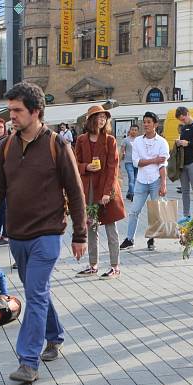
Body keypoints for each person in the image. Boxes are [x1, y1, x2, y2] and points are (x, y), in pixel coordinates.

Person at [0, 81, 86, 383]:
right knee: (36, 289)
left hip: (48, 234)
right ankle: (55, 335)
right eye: (10, 110)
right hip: (17, 235)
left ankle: (28, 361)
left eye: (17, 110)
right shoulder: (5, 147)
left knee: (35, 292)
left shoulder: (57, 145)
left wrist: (80, 235)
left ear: (36, 111)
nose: (11, 116)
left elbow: (75, 192)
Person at [74, 105, 126, 279]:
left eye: (105, 117)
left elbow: (113, 168)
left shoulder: (110, 140)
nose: (102, 120)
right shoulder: (81, 140)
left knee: (111, 227)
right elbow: (75, 163)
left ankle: (115, 266)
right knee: (91, 227)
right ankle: (93, 265)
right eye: (99, 117)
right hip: (88, 188)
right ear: (91, 120)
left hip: (106, 189)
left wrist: (107, 192)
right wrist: (86, 166)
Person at [119, 112, 169, 252]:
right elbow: (136, 163)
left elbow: (162, 164)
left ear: (155, 124)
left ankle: (152, 238)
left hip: (155, 180)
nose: (146, 124)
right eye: (144, 122)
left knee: (155, 211)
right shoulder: (138, 141)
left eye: (149, 122)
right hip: (141, 180)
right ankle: (129, 239)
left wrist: (163, 183)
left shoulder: (162, 142)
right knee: (134, 211)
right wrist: (153, 160)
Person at [120, 124, 139, 201]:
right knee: (131, 178)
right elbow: (122, 151)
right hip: (128, 162)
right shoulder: (126, 140)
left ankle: (129, 193)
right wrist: (118, 162)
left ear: (137, 131)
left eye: (135, 130)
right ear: (129, 130)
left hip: (137, 162)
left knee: (135, 178)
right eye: (132, 130)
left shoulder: (139, 140)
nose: (133, 131)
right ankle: (132, 194)